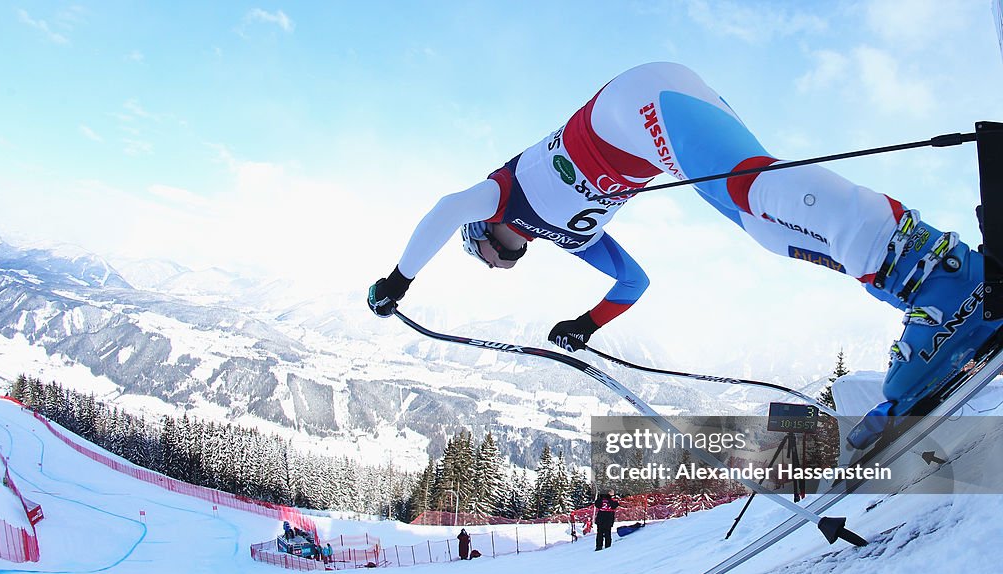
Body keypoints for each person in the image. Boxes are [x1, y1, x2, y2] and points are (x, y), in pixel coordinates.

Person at [368, 62, 1001, 419]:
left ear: (483, 232)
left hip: (641, 105)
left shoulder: (501, 192)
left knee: (752, 195)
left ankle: (945, 276)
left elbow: (448, 207)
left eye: (481, 251)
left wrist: (398, 281)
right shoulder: (565, 235)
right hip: (660, 129)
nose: (494, 260)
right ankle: (931, 298)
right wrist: (585, 324)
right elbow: (634, 282)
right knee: (764, 226)